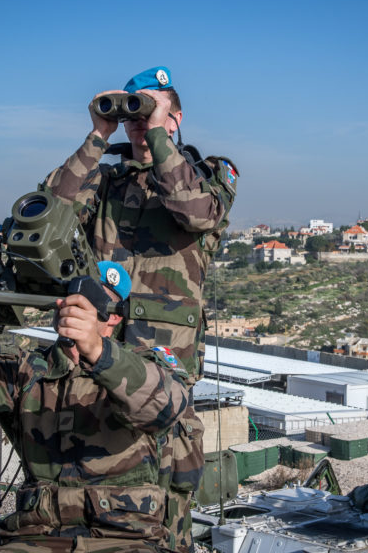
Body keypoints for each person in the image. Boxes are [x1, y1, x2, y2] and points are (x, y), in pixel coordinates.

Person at [44, 67, 237, 552]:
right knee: (83, 501)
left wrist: (152, 129)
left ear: (176, 118)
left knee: (161, 511)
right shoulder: (108, 182)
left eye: (150, 111)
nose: (138, 123)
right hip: (91, 360)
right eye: (132, 114)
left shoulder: (211, 176)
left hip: (161, 375)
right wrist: (98, 134)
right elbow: (50, 210)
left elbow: (194, 212)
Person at [0, 259, 191, 553]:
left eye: (96, 301)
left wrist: (97, 350)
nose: (78, 308)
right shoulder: (24, 367)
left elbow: (164, 408)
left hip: (126, 539)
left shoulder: (143, 365)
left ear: (115, 317)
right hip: (35, 537)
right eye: (73, 297)